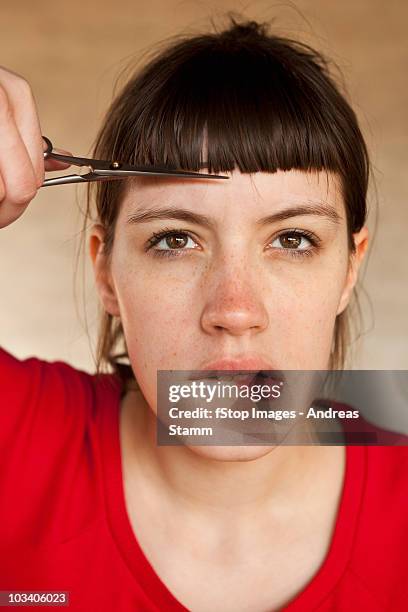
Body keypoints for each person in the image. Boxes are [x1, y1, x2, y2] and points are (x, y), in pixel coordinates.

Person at [0, 17, 407, 612]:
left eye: (293, 239)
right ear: (106, 270)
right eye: (174, 240)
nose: (235, 311)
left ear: (349, 267)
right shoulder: (15, 441)